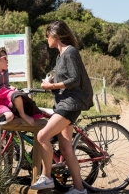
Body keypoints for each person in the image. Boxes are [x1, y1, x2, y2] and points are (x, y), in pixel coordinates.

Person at [30, 21, 93, 194]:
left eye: (47, 36)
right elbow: (66, 78)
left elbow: (74, 80)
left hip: (71, 104)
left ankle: (47, 177)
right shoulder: (60, 56)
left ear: (55, 36)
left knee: (42, 136)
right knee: (66, 149)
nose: (46, 39)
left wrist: (52, 86)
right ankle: (79, 189)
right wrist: (50, 81)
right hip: (64, 103)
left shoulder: (70, 52)